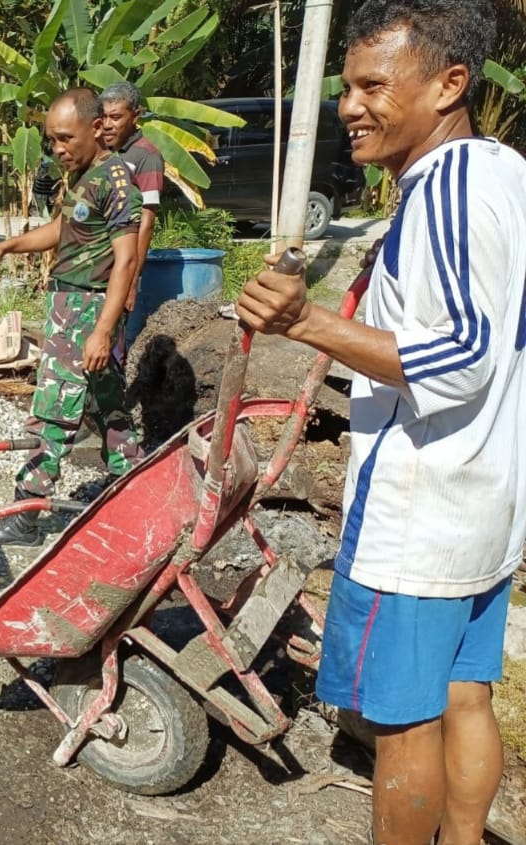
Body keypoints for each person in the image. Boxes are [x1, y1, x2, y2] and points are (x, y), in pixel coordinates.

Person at [235, 2, 523, 842]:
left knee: (403, 721)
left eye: (372, 86)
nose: (350, 107)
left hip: (420, 508)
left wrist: (305, 322)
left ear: (449, 84)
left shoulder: (445, 195)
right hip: (486, 492)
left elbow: (460, 356)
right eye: (346, 87)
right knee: (466, 695)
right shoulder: (502, 170)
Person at [0, 88, 142, 548]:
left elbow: (126, 260)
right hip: (71, 307)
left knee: (53, 411)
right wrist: (5, 247)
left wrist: (101, 331)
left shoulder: (116, 182)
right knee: (105, 404)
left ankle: (25, 513)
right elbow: (63, 231)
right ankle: (133, 487)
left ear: (96, 128)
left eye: (66, 138)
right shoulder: (85, 175)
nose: (58, 148)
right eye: (52, 139)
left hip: (87, 311)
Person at [97, 82, 165, 325]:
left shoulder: (146, 156)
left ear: (135, 116)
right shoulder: (101, 151)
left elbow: (146, 221)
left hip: (120, 266)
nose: (107, 124)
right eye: (103, 116)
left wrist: (132, 280)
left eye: (115, 117)